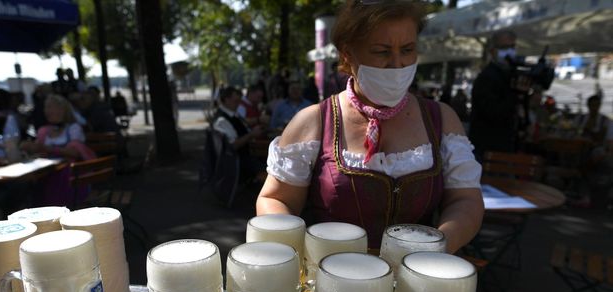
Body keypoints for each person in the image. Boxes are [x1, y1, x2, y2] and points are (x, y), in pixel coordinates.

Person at [256, 0, 483, 253]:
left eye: (407, 50)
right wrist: (295, 253)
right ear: (347, 54)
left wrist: (437, 247)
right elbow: (276, 199)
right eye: (382, 51)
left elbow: (465, 200)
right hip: (333, 280)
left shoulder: (441, 118)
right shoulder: (313, 121)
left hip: (418, 281)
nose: (397, 64)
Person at [20, 95, 96, 206]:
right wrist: (28, 147)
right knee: (27, 182)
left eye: (51, 107)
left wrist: (46, 148)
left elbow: (75, 152)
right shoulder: (43, 131)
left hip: (69, 180)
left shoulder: (73, 129)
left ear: (62, 109)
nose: (47, 111)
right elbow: (38, 151)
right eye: (46, 107)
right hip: (46, 174)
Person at [469, 30, 531, 162]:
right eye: (504, 47)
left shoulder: (509, 74)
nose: (509, 51)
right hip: (487, 150)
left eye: (512, 47)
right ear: (492, 51)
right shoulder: (487, 77)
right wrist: (516, 95)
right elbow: (493, 112)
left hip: (504, 148)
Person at [213, 86, 266, 182]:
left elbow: (244, 126)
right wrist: (251, 135)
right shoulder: (222, 120)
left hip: (245, 156)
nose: (238, 105)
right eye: (236, 101)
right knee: (270, 168)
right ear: (226, 100)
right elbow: (233, 145)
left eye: (239, 101)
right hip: (237, 161)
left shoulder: (232, 114)